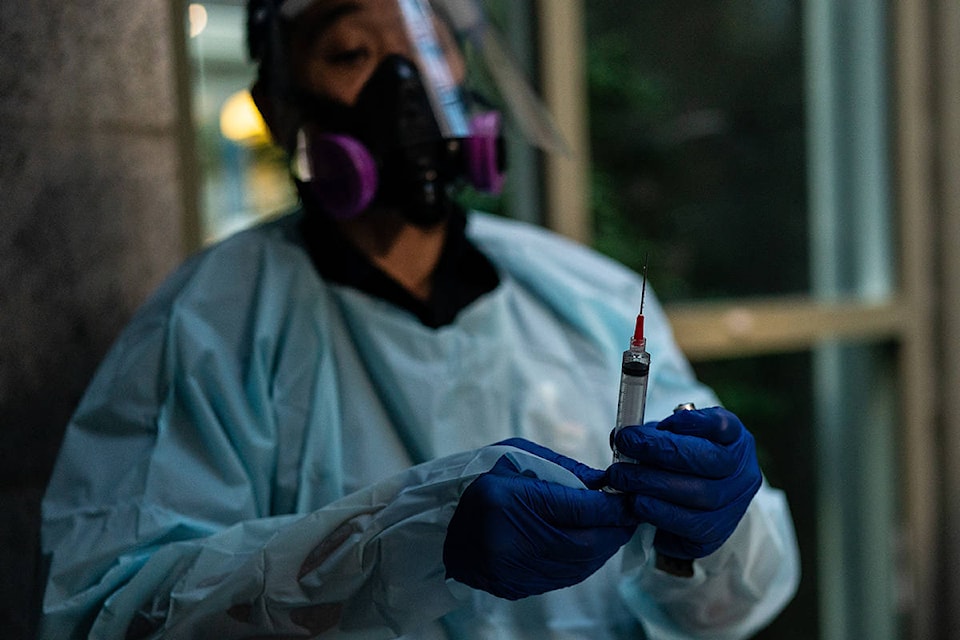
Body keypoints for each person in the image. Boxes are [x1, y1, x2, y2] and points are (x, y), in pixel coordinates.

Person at [38, 0, 800, 637]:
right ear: (280, 105)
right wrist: (406, 544)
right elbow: (114, 613)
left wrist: (706, 536)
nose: (405, 85)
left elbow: (726, 604)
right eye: (350, 52)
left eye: (428, 43)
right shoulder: (210, 326)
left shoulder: (585, 298)